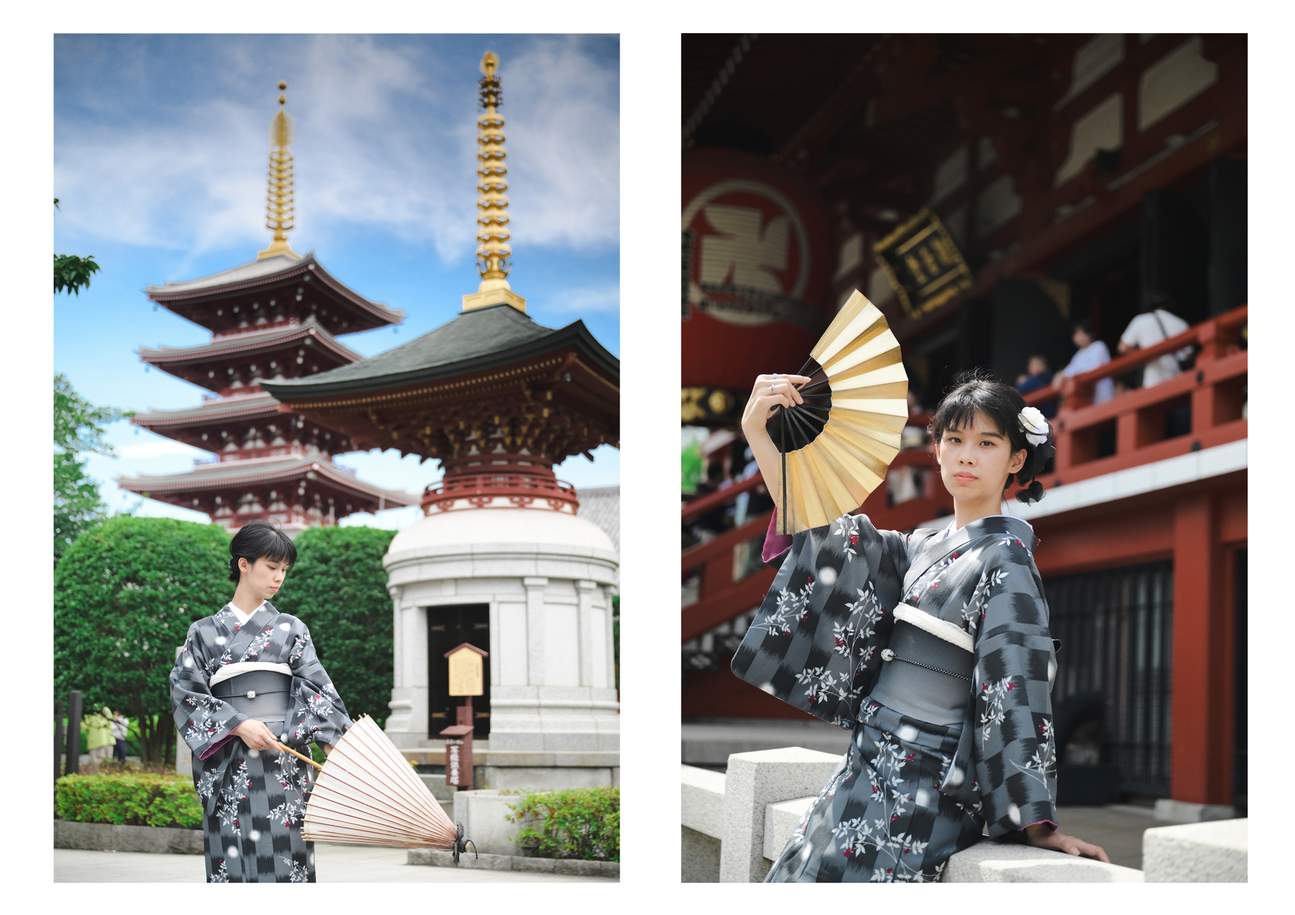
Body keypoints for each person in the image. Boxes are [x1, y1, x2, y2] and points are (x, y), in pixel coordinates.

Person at [731, 370, 1109, 882]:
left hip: (925, 782)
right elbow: (832, 533)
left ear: (1016, 459)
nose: (966, 455)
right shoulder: (923, 546)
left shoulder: (1007, 558)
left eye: (986, 443)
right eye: (953, 440)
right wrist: (760, 435)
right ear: (936, 449)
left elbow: (1014, 687)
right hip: (868, 758)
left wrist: (1036, 822)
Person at [169, 521, 353, 883]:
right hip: (229, 767)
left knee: (287, 861)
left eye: (284, 569)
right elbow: (184, 692)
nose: (278, 577)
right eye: (271, 567)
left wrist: (339, 745)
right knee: (231, 863)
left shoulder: (291, 629)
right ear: (243, 564)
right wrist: (237, 723)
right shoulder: (203, 632)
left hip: (282, 765)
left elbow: (318, 691)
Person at [1118, 296, 1192, 389]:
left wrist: (1144, 357)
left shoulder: (1141, 320)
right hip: (1179, 382)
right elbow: (1188, 355)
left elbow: (1123, 347)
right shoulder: (1181, 324)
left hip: (1153, 382)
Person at [1058, 322, 1114, 404]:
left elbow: (1093, 368)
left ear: (1089, 334)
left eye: (1081, 334)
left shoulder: (1099, 346)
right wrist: (1060, 375)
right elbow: (1068, 371)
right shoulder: (1078, 355)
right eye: (1076, 335)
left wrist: (1069, 375)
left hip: (1103, 394)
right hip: (1087, 400)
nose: (1078, 338)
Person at [1014, 355, 1057, 419]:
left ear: (1043, 366)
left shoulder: (1046, 377)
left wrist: (1024, 382)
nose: (1031, 367)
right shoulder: (1033, 379)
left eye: (1035, 364)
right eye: (1031, 365)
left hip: (1048, 416)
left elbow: (1023, 388)